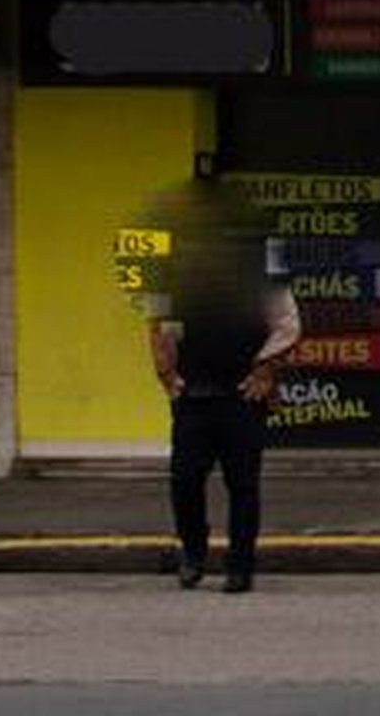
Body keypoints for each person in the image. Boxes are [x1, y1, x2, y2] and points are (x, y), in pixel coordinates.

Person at [146, 182, 301, 594]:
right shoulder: (174, 265)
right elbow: (159, 317)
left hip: (242, 394)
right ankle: (193, 552)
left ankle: (240, 566)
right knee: (184, 479)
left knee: (243, 483)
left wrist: (266, 370)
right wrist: (165, 369)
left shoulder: (260, 264)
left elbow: (287, 323)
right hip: (193, 392)